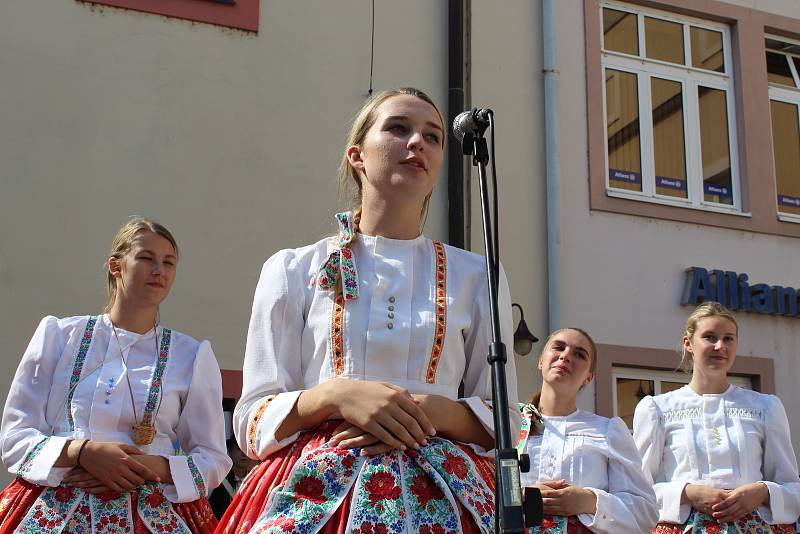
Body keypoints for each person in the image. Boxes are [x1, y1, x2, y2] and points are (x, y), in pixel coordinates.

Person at [218, 87, 519, 534]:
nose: (417, 142)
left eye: (433, 137)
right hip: (317, 486)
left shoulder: (478, 276)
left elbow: (506, 422)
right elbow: (252, 419)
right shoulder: (293, 268)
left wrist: (428, 411)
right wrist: (335, 396)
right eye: (399, 128)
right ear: (357, 156)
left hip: (445, 488)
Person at [0, 217, 232, 533]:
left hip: (152, 510)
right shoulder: (60, 336)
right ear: (116, 266)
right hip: (55, 504)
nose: (158, 270)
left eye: (168, 262)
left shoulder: (191, 355)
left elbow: (213, 458)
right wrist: (81, 452)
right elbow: (15, 435)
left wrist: (154, 466)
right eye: (146, 258)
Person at [633, 301, 800, 533]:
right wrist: (686, 492)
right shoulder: (657, 409)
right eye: (710, 337)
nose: (720, 346)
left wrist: (762, 491)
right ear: (688, 343)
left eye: (728, 339)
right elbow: (635, 490)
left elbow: (792, 487)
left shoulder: (765, 406)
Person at [517, 328, 658, 534]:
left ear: (589, 377)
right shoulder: (509, 423)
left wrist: (589, 501)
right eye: (559, 347)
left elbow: (644, 513)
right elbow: (480, 485)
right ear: (540, 361)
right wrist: (518, 496)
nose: (565, 356)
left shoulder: (608, 431)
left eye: (579, 354)